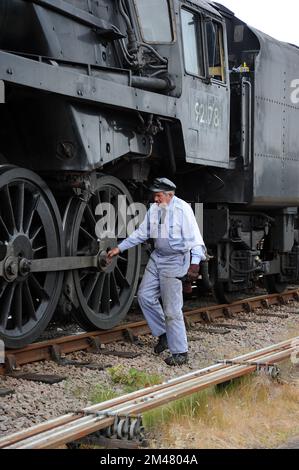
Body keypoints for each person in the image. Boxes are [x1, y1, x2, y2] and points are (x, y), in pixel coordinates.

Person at [108, 178, 206, 366]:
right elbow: (141, 233)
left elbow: (196, 239)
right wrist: (119, 248)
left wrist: (194, 265)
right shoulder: (155, 209)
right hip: (158, 258)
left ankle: (180, 352)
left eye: (158, 195)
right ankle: (164, 334)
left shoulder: (183, 210)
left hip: (175, 260)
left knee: (171, 309)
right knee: (144, 296)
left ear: (170, 195)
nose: (155, 198)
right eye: (155, 195)